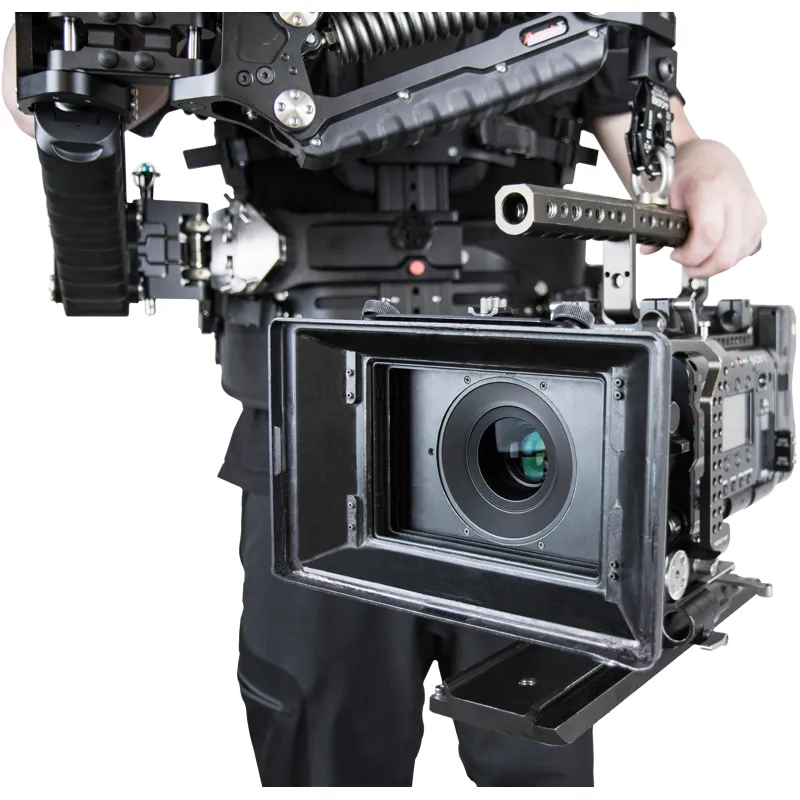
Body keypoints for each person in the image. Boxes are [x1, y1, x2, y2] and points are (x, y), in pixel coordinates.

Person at [3, 15, 767, 787]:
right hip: (311, 441)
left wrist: (704, 160)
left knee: (537, 750)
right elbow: (56, 83)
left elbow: (655, 138)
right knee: (324, 745)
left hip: (538, 437)